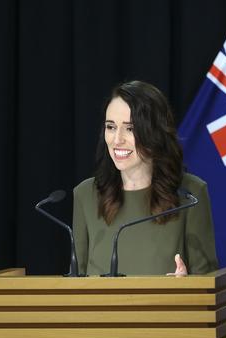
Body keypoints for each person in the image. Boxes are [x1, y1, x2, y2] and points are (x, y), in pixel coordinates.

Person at [73, 80, 218, 276]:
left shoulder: (191, 195)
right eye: (111, 127)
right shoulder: (85, 195)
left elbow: (208, 284)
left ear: (155, 132)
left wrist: (188, 286)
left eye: (130, 128)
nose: (117, 140)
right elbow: (74, 287)